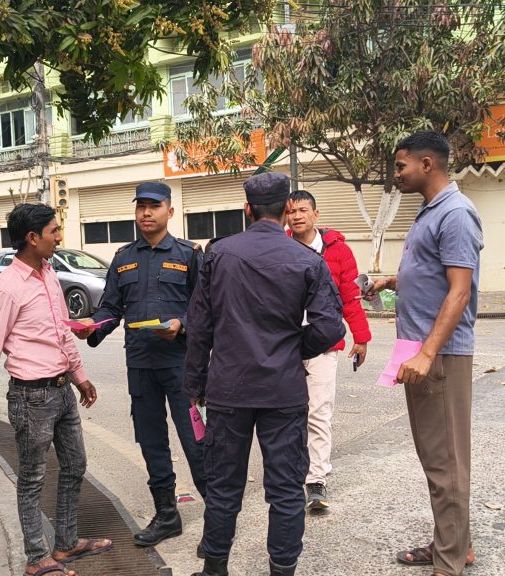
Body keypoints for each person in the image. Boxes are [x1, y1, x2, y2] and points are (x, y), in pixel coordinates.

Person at [184, 172, 346, 576]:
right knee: (287, 490)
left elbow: (199, 325)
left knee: (223, 486)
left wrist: (195, 383)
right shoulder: (308, 260)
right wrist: (293, 349)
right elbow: (330, 327)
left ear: (247, 209)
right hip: (283, 391)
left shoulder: (218, 254)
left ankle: (215, 568)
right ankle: (282, 568)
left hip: (229, 389)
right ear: (287, 209)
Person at [0, 203, 112, 576]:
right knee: (32, 478)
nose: (59, 237)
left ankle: (65, 544)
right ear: (32, 238)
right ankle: (37, 559)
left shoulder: (48, 274)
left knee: (75, 465)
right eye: (54, 231)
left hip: (62, 389)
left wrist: (79, 376)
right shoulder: (5, 288)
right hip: (31, 397)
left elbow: (62, 331)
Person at [366, 131, 483, 576]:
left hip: (440, 356)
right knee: (438, 458)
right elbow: (434, 274)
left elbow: (459, 291)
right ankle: (456, 546)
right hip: (421, 352)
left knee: (445, 463)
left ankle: (448, 564)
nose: (396, 174)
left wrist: (427, 354)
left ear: (427, 163)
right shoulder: (432, 210)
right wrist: (392, 281)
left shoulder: (455, 213)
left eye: (401, 166)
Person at [73, 181, 207, 548]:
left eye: (154, 206)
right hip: (141, 365)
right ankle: (167, 515)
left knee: (196, 441)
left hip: (181, 366)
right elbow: (111, 307)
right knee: (151, 442)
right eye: (140, 206)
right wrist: (93, 327)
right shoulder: (123, 258)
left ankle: (218, 515)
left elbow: (206, 308)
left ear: (170, 211)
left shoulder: (189, 254)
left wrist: (182, 325)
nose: (146, 213)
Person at [284, 189, 371, 511]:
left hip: (323, 343)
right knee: (288, 413)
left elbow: (350, 296)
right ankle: (292, 472)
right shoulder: (279, 246)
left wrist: (361, 337)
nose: (297, 216)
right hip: (286, 344)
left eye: (303, 210)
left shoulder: (338, 250)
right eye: (291, 211)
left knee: (319, 411)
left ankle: (316, 479)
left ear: (315, 215)